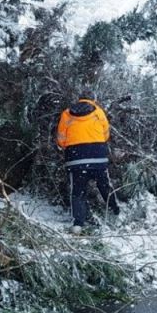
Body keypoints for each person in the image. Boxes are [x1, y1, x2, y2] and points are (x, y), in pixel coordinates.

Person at [56, 91, 120, 234]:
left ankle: (78, 223)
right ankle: (115, 211)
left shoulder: (67, 113)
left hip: (76, 157)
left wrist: (67, 146)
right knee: (104, 185)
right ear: (92, 99)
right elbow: (106, 133)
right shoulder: (98, 112)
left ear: (79, 100)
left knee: (78, 191)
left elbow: (61, 138)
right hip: (98, 155)